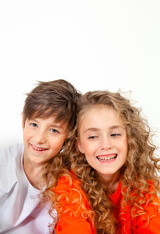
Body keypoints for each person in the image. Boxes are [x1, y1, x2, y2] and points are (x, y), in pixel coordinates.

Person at [46, 90, 160, 234]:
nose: (105, 145)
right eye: (93, 136)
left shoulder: (142, 186)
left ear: (129, 138)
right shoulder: (68, 186)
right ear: (79, 144)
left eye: (115, 134)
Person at [0, 79, 81, 234]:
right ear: (24, 121)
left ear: (69, 134)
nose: (39, 139)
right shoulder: (4, 164)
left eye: (54, 130)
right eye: (34, 125)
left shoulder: (67, 183)